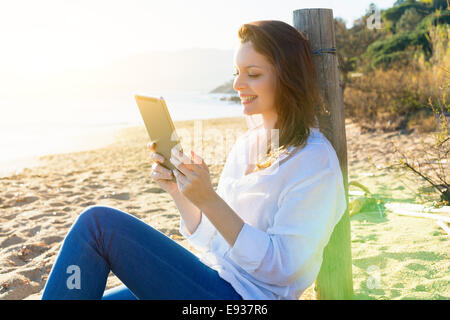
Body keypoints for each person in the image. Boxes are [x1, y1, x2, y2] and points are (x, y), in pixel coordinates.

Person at [41, 20, 346, 300]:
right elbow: (210, 241)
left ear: (288, 78)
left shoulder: (314, 161)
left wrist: (210, 199)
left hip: (245, 298)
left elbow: (283, 267)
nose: (238, 84)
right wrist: (181, 192)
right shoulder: (247, 145)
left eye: (253, 74)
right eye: (236, 73)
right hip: (209, 279)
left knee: (98, 225)